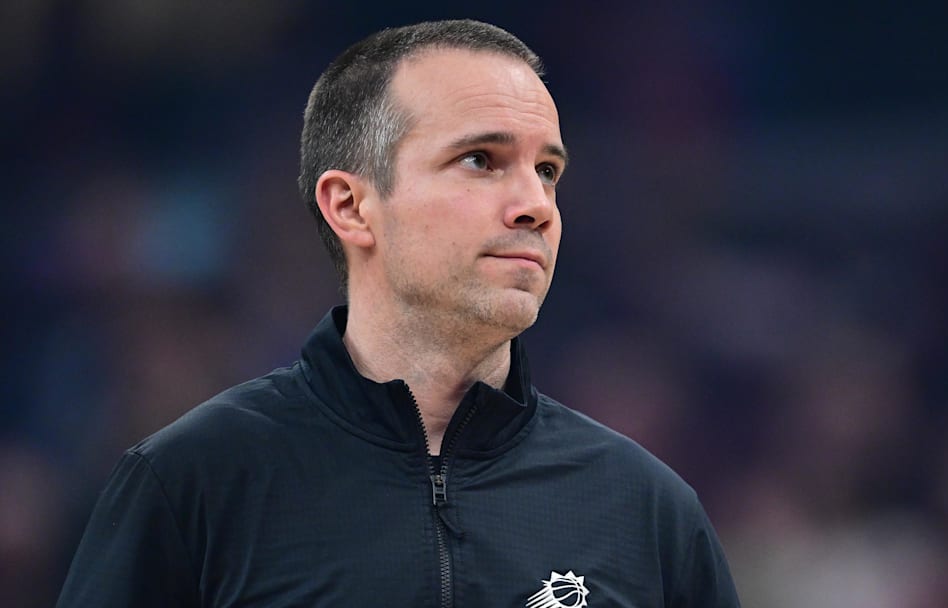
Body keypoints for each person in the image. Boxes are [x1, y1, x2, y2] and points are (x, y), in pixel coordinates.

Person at [56, 19, 740, 607]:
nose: (536, 205)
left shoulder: (646, 511)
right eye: (481, 160)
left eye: (547, 171)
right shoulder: (192, 485)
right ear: (351, 206)